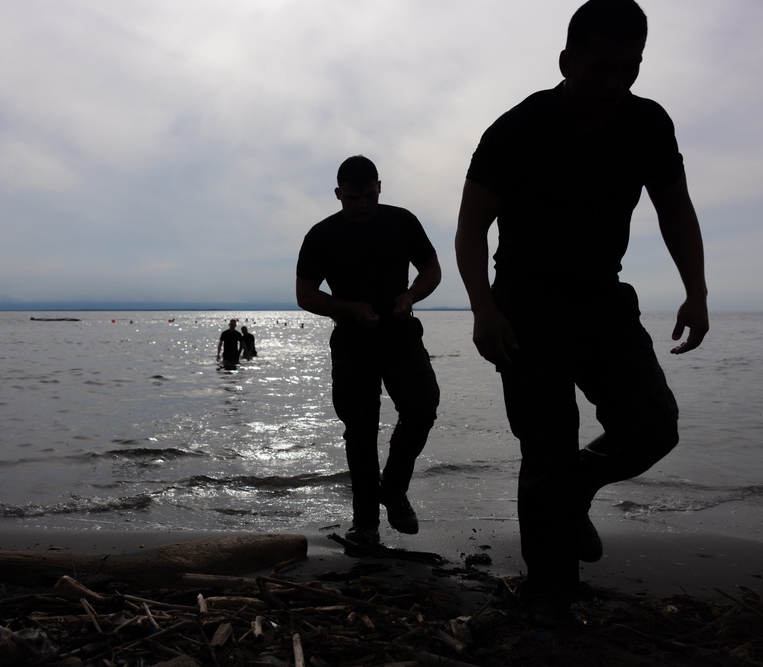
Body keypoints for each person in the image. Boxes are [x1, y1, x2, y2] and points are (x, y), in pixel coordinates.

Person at [454, 0, 709, 615]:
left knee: (652, 425)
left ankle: (577, 491)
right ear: (567, 62)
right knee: (547, 446)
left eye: (631, 68)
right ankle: (551, 588)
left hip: (604, 300)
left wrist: (696, 291)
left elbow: (674, 207)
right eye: (600, 68)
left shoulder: (648, 124)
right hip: (526, 306)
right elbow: (470, 229)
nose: (615, 83)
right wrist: (483, 309)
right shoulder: (516, 129)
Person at [296, 155, 442, 546]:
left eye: (369, 196)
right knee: (359, 432)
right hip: (352, 344)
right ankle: (366, 525)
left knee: (423, 407)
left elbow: (432, 270)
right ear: (338, 194)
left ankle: (393, 488)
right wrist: (349, 309)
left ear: (380, 187)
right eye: (353, 198)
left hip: (400, 336)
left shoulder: (402, 221)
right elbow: (305, 294)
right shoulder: (321, 235)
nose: (362, 205)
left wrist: (410, 295)